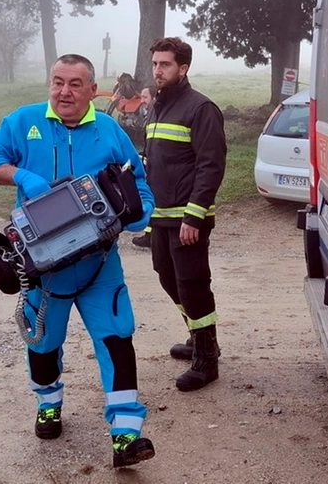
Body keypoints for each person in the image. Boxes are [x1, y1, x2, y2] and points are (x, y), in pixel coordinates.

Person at [0, 54, 157, 468]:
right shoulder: (23, 121)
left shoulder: (109, 130)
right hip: (43, 266)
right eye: (57, 82)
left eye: (75, 84)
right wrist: (20, 175)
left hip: (100, 264)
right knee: (42, 341)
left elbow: (140, 181)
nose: (64, 92)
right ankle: (49, 403)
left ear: (93, 91)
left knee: (116, 339)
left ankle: (126, 434)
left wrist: (140, 211)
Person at [144, 37, 227, 391]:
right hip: (161, 216)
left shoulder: (201, 108)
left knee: (192, 285)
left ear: (183, 68)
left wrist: (193, 217)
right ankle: (198, 334)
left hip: (187, 219)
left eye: (165, 64)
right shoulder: (158, 107)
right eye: (155, 64)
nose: (158, 71)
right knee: (167, 278)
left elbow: (211, 166)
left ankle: (207, 359)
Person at [130, 85, 156, 249]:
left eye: (145, 98)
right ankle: (150, 235)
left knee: (153, 197)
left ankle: (150, 236)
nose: (142, 101)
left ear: (154, 98)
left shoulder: (156, 115)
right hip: (151, 161)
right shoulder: (152, 114)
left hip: (157, 168)